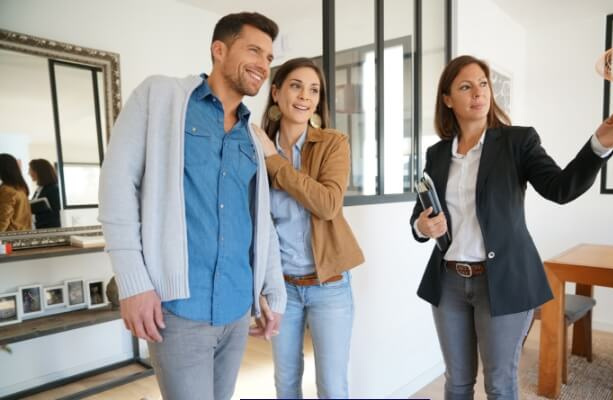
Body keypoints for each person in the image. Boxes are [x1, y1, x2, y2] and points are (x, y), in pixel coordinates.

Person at [410, 55, 613, 400]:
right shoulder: (437, 154)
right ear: (448, 99)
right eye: (466, 87)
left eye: (483, 84)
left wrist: (598, 147)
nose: (478, 93)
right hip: (448, 282)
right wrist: (422, 226)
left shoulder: (517, 142)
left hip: (503, 280)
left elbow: (560, 188)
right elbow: (421, 213)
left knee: (499, 384)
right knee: (457, 381)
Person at [98, 12, 287, 400]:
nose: (263, 65)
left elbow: (259, 221)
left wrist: (272, 290)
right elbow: (116, 186)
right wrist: (133, 284)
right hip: (179, 308)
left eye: (269, 57)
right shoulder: (160, 97)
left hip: (237, 308)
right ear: (219, 50)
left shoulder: (252, 137)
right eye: (254, 50)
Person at [251, 58, 365, 398]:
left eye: (314, 90)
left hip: (329, 285)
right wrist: (258, 286)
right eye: (296, 86)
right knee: (285, 383)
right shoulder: (255, 149)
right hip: (281, 287)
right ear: (276, 93)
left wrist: (275, 162)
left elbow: (328, 203)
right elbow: (253, 222)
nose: (305, 96)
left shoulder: (333, 143)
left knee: (331, 386)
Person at [0, 153, 31, 231]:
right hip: (22, 233)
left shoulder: (7, 190)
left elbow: (3, 219)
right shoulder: (20, 188)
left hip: (10, 235)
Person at [28, 159, 61, 228]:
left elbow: (56, 213)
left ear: (39, 172)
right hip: (39, 227)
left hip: (50, 229)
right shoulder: (40, 188)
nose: (29, 173)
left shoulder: (53, 189)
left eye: (30, 170)